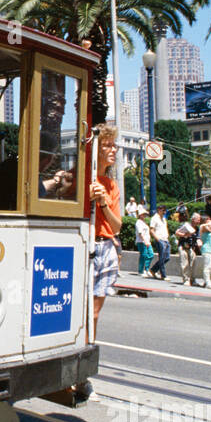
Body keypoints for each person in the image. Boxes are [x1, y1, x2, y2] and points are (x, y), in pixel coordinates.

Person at [88, 125, 122, 329]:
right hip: (89, 245)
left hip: (106, 247)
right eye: (107, 145)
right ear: (96, 149)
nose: (113, 150)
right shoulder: (83, 178)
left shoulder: (111, 185)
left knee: (94, 313)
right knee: (83, 311)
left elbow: (116, 226)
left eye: (114, 145)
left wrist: (103, 203)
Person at [175, 212, 200, 286]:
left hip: (191, 247)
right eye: (198, 220)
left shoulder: (197, 228)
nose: (199, 221)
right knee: (184, 263)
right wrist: (185, 235)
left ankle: (193, 279)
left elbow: (198, 238)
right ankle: (186, 279)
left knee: (193, 263)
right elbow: (176, 233)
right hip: (183, 246)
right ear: (193, 219)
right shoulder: (185, 225)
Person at [198, 212, 211, 289]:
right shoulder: (202, 226)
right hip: (206, 249)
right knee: (207, 266)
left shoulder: (208, 226)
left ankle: (205, 281)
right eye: (208, 219)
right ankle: (208, 283)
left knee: (209, 266)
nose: (210, 221)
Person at [149, 206, 170, 280]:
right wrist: (158, 239)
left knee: (167, 257)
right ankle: (163, 275)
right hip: (160, 239)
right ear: (159, 210)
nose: (164, 212)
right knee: (162, 257)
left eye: (165, 210)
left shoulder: (164, 219)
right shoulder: (154, 218)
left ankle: (153, 269)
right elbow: (151, 230)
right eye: (163, 210)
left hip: (165, 239)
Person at [135, 208, 153, 277]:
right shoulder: (138, 222)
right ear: (140, 215)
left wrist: (148, 241)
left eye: (145, 214)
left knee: (151, 254)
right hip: (141, 241)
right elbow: (140, 233)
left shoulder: (144, 222)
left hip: (147, 241)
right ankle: (141, 271)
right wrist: (145, 241)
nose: (145, 215)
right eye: (143, 214)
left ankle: (146, 269)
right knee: (143, 255)